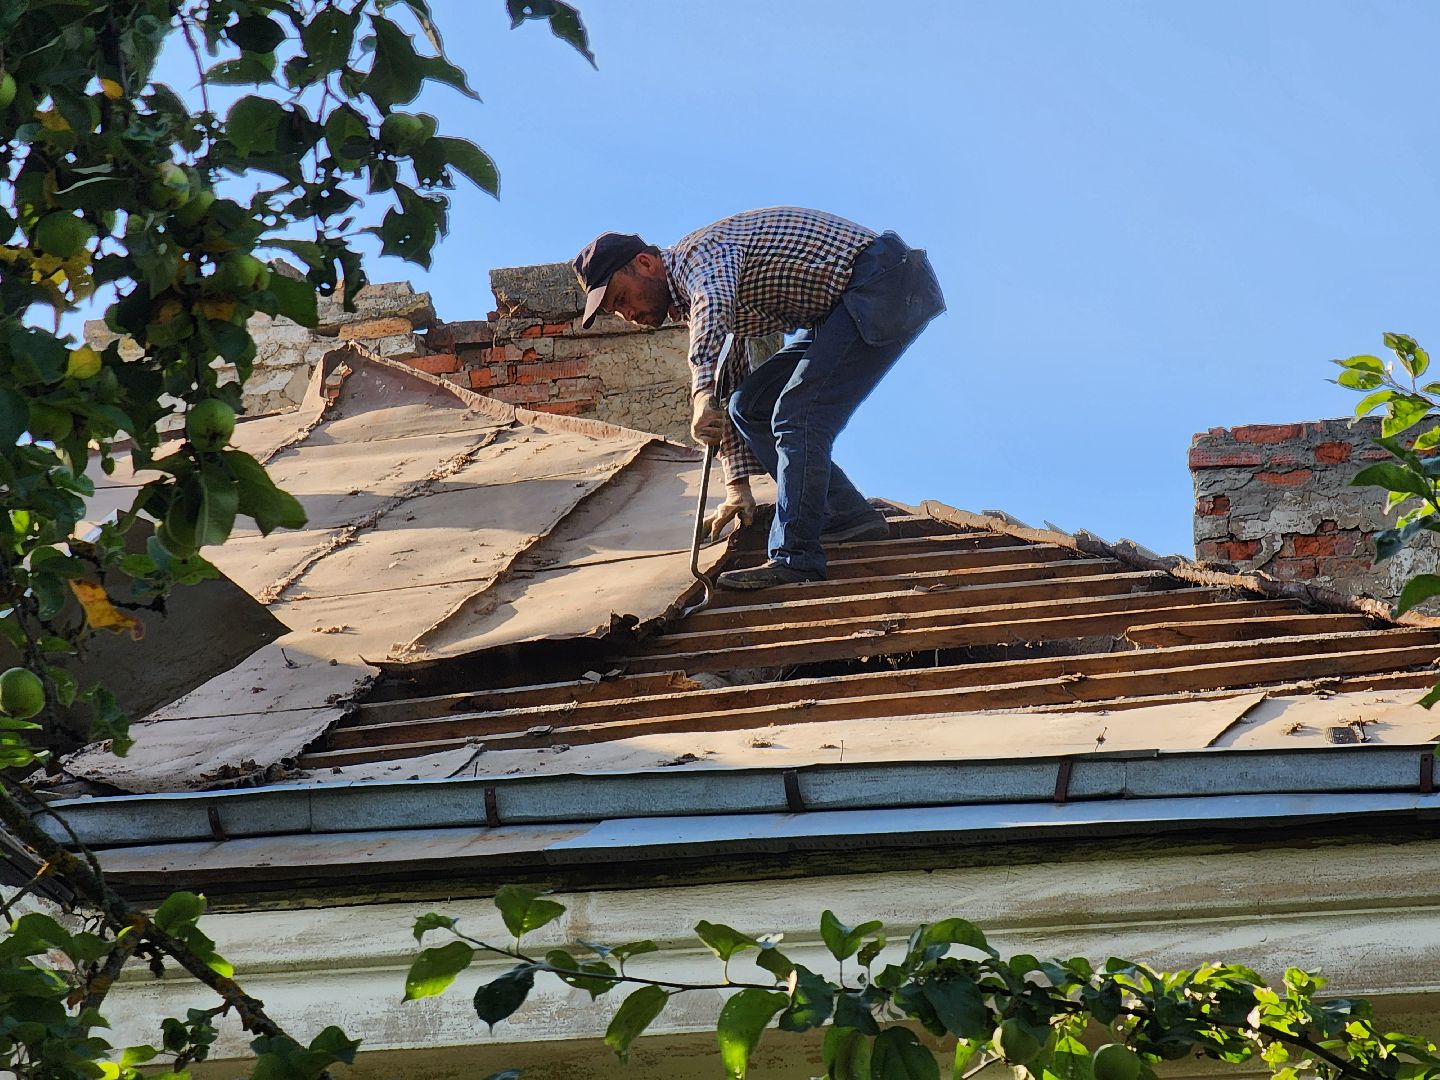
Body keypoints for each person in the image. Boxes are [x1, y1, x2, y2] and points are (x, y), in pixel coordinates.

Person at [572, 206, 944, 590]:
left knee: (796, 415)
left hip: (883, 284)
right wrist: (737, 487)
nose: (627, 314)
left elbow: (711, 306)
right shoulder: (691, 295)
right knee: (749, 406)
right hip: (844, 308)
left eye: (621, 298)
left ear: (646, 263)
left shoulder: (698, 257)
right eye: (617, 311)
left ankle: (795, 558)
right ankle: (847, 515)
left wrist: (698, 391)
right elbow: (727, 381)